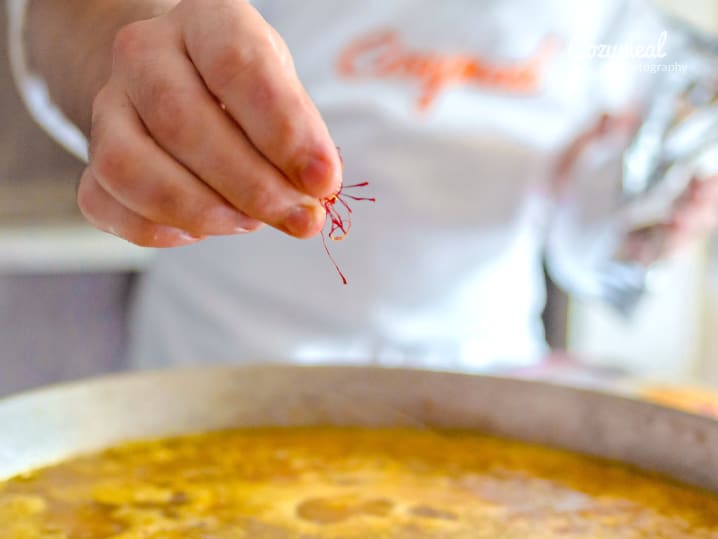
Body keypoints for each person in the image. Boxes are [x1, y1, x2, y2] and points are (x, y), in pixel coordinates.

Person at [7, 0, 718, 372]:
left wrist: (650, 218)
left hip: (487, 388)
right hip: (223, 375)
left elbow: (592, 236)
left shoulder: (613, 29)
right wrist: (130, 57)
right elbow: (71, 13)